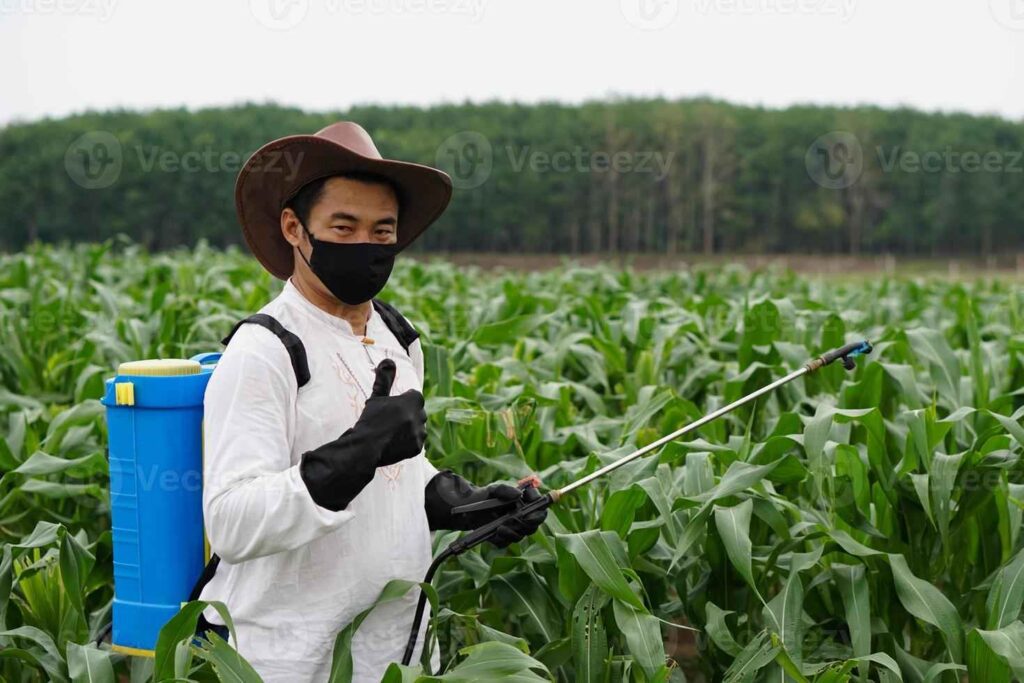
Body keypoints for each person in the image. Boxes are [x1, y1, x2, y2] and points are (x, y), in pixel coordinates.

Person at [192, 121, 547, 682]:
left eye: (383, 231)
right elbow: (232, 522)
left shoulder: (397, 338)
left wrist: (464, 504)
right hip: (287, 658)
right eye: (344, 226)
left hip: (393, 651)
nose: (367, 246)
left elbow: (399, 477)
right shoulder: (264, 350)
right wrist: (356, 452)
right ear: (294, 228)